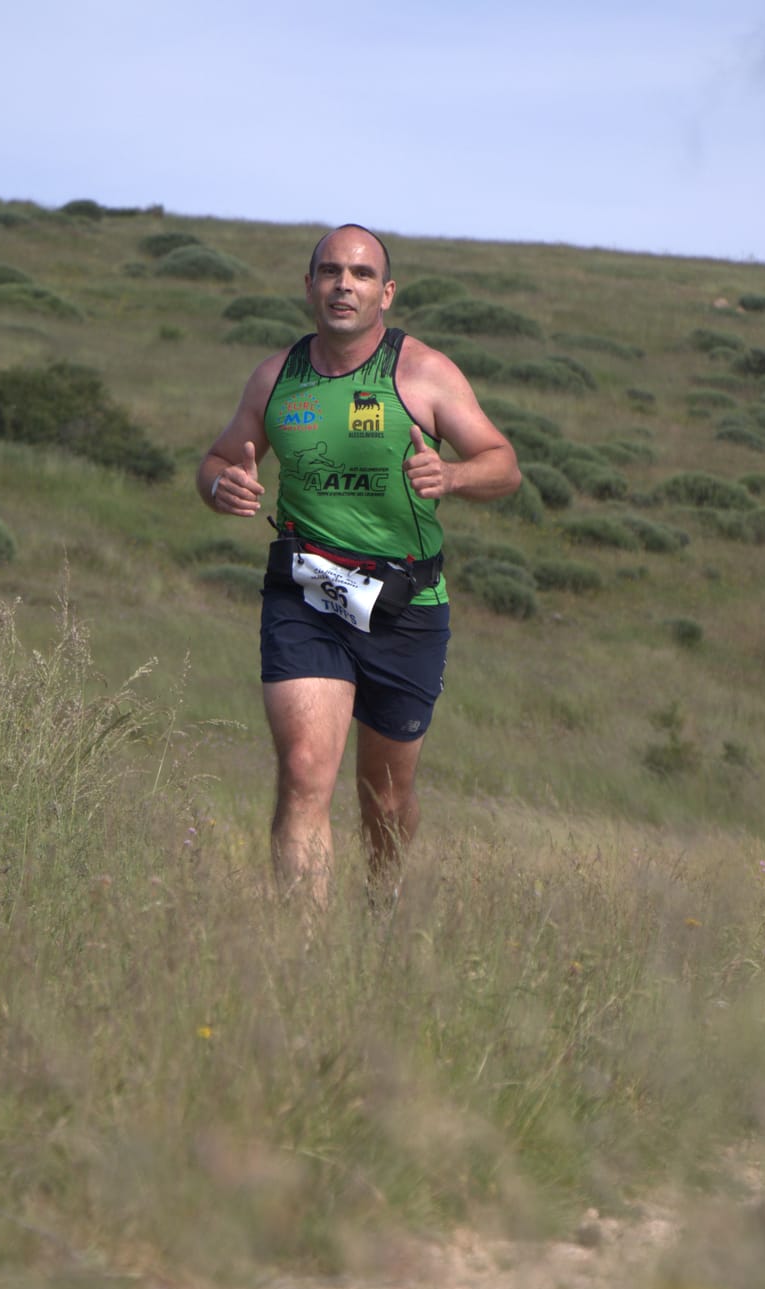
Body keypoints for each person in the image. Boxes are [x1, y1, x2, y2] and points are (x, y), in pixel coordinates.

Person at [196, 224, 522, 907]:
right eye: (331, 272)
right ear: (309, 285)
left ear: (386, 292)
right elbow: (219, 458)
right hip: (306, 594)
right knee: (304, 771)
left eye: (362, 274)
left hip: (405, 607)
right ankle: (304, 954)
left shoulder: (424, 373)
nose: (344, 285)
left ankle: (381, 907)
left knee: (386, 797)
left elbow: (503, 465)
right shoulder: (277, 378)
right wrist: (222, 483)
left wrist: (453, 476)